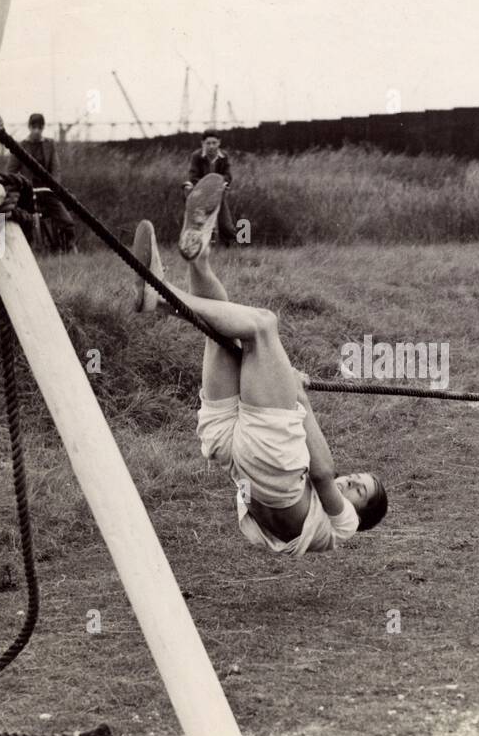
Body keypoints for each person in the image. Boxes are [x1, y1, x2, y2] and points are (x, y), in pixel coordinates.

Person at [128, 215, 387, 555]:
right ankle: (199, 263)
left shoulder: (345, 527)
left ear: (359, 512)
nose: (351, 481)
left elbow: (323, 472)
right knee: (225, 337)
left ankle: (161, 296)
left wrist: (299, 398)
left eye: (359, 490)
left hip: (270, 465)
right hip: (231, 454)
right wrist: (283, 381)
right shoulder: (318, 526)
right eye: (358, 477)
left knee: (262, 325)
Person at [5, 113, 76, 252]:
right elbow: (10, 171)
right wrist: (14, 187)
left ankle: (69, 245)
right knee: (23, 220)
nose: (36, 130)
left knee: (66, 220)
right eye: (34, 127)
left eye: (39, 127)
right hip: (27, 192)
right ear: (29, 127)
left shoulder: (49, 145)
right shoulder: (21, 146)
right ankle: (27, 248)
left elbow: (56, 168)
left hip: (46, 190)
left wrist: (54, 185)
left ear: (43, 128)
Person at [183, 131, 237, 245]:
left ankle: (233, 246)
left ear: (219, 143)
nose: (211, 146)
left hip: (218, 193)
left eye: (214, 143)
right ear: (203, 143)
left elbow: (228, 175)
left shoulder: (224, 156)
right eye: (208, 143)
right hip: (201, 194)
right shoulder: (196, 156)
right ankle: (197, 246)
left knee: (226, 225)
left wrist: (221, 183)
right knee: (200, 223)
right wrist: (207, 185)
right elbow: (193, 176)